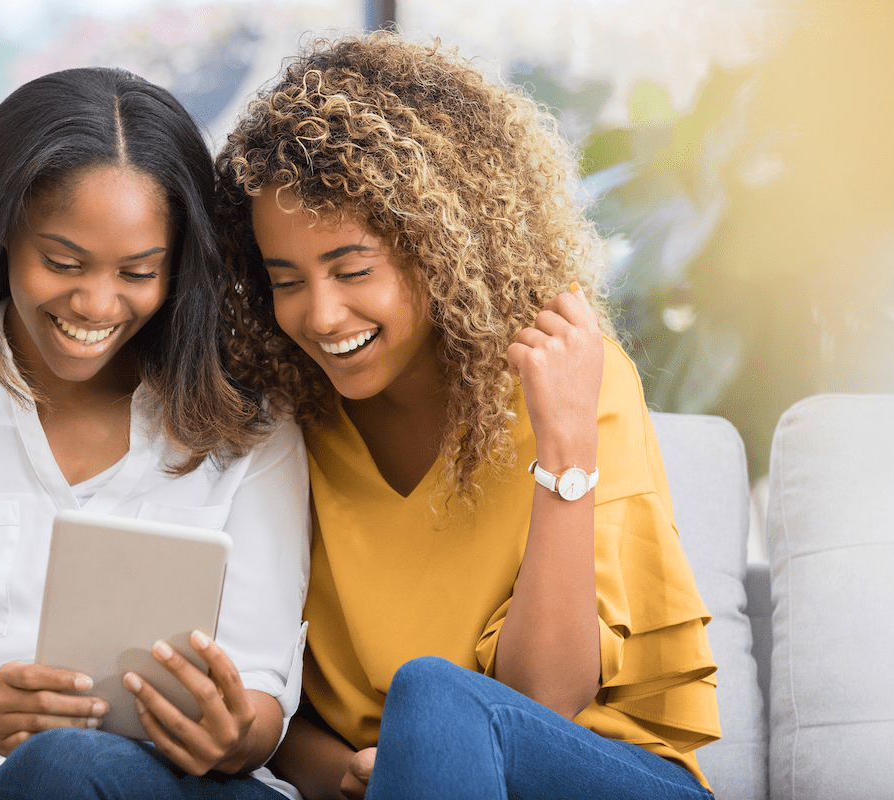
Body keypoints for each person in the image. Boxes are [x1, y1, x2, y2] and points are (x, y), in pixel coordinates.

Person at [215, 34, 721, 800]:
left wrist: (566, 446)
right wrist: (355, 771)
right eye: (287, 280)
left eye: (353, 270)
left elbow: (546, 699)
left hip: (599, 774)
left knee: (435, 695)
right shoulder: (295, 421)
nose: (320, 315)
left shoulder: (570, 383)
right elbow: (282, 710)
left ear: (444, 245)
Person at [0, 67, 309, 800]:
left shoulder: (250, 427)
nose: (98, 303)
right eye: (63, 263)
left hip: (189, 788)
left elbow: (262, 697)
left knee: (72, 765)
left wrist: (235, 733)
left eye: (139, 271)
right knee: (58, 767)